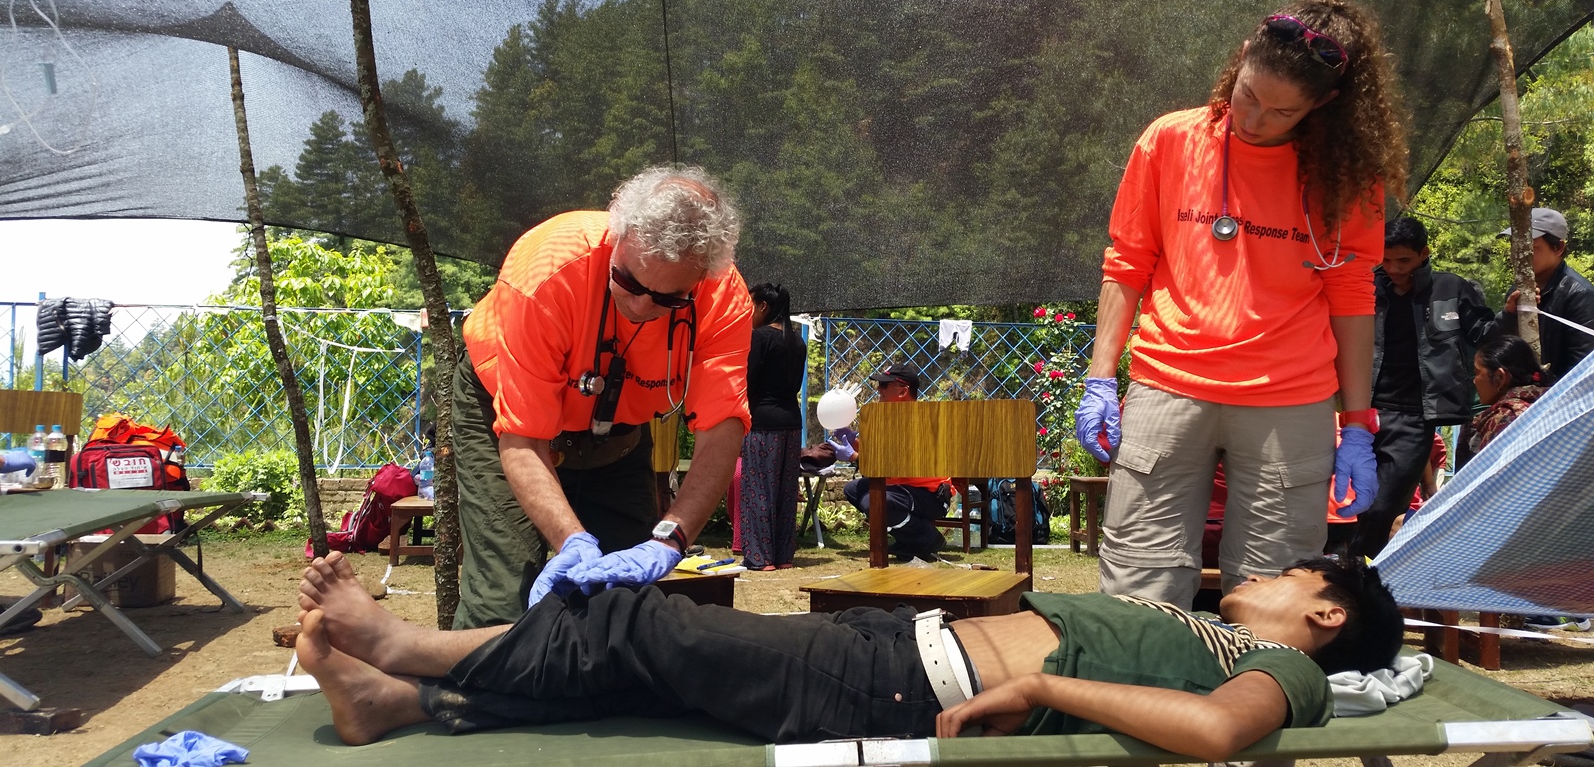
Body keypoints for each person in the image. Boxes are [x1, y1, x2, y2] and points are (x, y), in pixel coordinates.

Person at [296, 550, 1402, 758]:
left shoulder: (1288, 672)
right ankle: (396, 702)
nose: (1263, 572)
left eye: (1293, 573)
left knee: (640, 619)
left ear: (1322, 617)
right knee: (642, 671)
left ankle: (405, 642)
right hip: (891, 645)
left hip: (902, 685)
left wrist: (1045, 681)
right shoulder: (1201, 623)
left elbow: (1214, 733)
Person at [1076, 0, 1409, 609]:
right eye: (1250, 94)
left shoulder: (1347, 177)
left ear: (1322, 107)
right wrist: (1101, 377)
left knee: (1273, 591)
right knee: (1138, 578)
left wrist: (1358, 422)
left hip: (1291, 401)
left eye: (1282, 112)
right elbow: (1126, 263)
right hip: (1169, 386)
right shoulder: (1170, 140)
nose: (1254, 118)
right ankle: (1138, 699)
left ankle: (1252, 700)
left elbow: (1352, 295)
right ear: (1242, 59)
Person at [452, 166, 753, 629]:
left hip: (619, 431)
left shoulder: (723, 297)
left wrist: (670, 539)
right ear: (618, 233)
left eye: (669, 299)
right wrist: (571, 540)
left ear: (702, 278)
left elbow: (722, 429)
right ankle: (464, 695)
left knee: (622, 605)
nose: (640, 308)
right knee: (504, 600)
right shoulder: (547, 272)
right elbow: (524, 439)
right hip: (507, 417)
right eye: (629, 282)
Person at [1350, 217, 1494, 559]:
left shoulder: (1452, 289)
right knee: (1355, 499)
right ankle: (1355, 571)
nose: (1394, 268)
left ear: (1424, 254)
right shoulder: (1367, 287)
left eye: (1403, 260)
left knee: (1385, 505)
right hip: (1364, 411)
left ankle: (1360, 571)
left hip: (1418, 416)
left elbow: (1484, 335)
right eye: (1386, 260)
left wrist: (1512, 312)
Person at [1466, 335, 1588, 632]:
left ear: (1501, 376)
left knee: (1402, 525)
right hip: (1567, 529)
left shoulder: (1507, 417)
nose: (1473, 381)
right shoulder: (1554, 405)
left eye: (1478, 372)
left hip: (1520, 534)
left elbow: (1492, 491)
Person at [842, 363, 951, 561]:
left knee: (874, 501)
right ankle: (909, 540)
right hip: (903, 488)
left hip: (930, 495)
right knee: (853, 489)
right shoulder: (891, 418)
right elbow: (881, 456)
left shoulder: (919, 420)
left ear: (902, 391)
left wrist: (855, 457)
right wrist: (854, 443)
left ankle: (928, 538)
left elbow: (893, 464)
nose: (878, 390)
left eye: (884, 386)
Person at [739, 282, 807, 570]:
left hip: (763, 422)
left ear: (763, 307)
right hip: (792, 422)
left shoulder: (760, 337)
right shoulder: (798, 341)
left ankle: (760, 557)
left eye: (750, 305)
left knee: (758, 488)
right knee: (785, 490)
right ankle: (783, 556)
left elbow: (747, 381)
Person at [1495, 207, 1594, 381]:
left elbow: (1583, 368)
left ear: (1558, 248)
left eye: (1530, 248)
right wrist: (1508, 316)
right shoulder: (1516, 291)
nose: (1518, 256)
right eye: (1515, 246)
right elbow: (1501, 348)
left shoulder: (1579, 294)